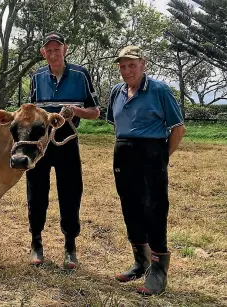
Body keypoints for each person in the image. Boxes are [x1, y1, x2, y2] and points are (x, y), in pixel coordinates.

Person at [106, 46, 186, 295]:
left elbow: (178, 128)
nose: (127, 70)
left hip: (151, 153)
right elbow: (118, 125)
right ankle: (140, 262)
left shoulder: (159, 90)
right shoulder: (116, 92)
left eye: (132, 65)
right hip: (123, 153)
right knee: (129, 206)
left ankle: (158, 271)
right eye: (122, 66)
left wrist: (162, 157)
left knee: (154, 207)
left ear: (143, 64)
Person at [27, 31, 100, 270]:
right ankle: (36, 243)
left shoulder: (80, 74)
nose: (53, 53)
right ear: (43, 53)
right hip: (40, 143)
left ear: (65, 49)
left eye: (57, 49)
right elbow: (31, 111)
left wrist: (75, 111)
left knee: (70, 193)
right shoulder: (36, 76)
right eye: (48, 50)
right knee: (36, 192)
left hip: (67, 141)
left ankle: (70, 247)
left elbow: (95, 111)